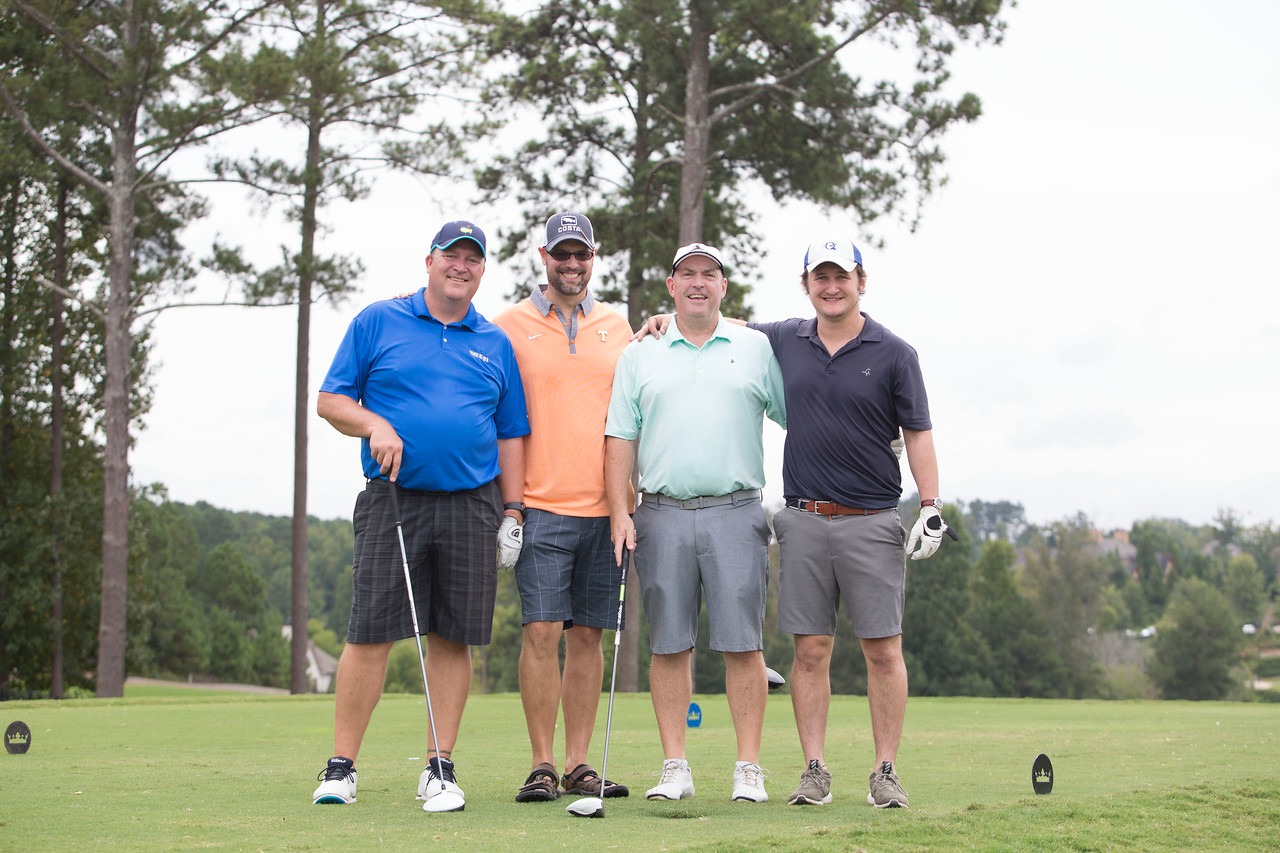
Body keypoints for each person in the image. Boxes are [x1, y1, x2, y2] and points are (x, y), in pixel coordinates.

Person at [638, 237, 954, 809]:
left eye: (841, 277)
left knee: (884, 651)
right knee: (809, 651)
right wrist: (667, 318)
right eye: (820, 278)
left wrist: (929, 504)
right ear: (806, 285)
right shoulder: (784, 339)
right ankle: (814, 770)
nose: (831, 288)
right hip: (803, 518)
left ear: (861, 282)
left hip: (873, 517)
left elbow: (918, 433)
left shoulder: (895, 353)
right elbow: (720, 322)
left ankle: (885, 771)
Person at [311, 220, 530, 813]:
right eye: (450, 255)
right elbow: (331, 399)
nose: (461, 266)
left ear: (482, 271)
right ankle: (341, 767)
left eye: (472, 259)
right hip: (394, 498)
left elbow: (510, 432)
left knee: (454, 637)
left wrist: (513, 509)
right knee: (370, 632)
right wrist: (375, 424)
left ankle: (438, 767)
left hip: (473, 502)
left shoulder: (495, 342)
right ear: (429, 261)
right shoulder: (379, 321)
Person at [604, 242, 786, 804]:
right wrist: (619, 511)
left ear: (724, 287)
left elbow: (798, 415)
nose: (698, 282)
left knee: (743, 645)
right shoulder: (641, 352)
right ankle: (675, 766)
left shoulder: (755, 348)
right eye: (688, 274)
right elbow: (620, 437)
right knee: (668, 645)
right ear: (672, 285)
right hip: (660, 513)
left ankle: (748, 768)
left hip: (736, 510)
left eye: (710, 274)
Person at [490, 212, 634, 803]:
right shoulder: (507, 326)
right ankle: (542, 763)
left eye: (581, 254)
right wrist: (510, 507)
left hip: (606, 510)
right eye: (561, 254)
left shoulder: (619, 327)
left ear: (593, 258)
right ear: (543, 257)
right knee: (542, 630)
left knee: (588, 637)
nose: (571, 264)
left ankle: (578, 763)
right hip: (539, 507)